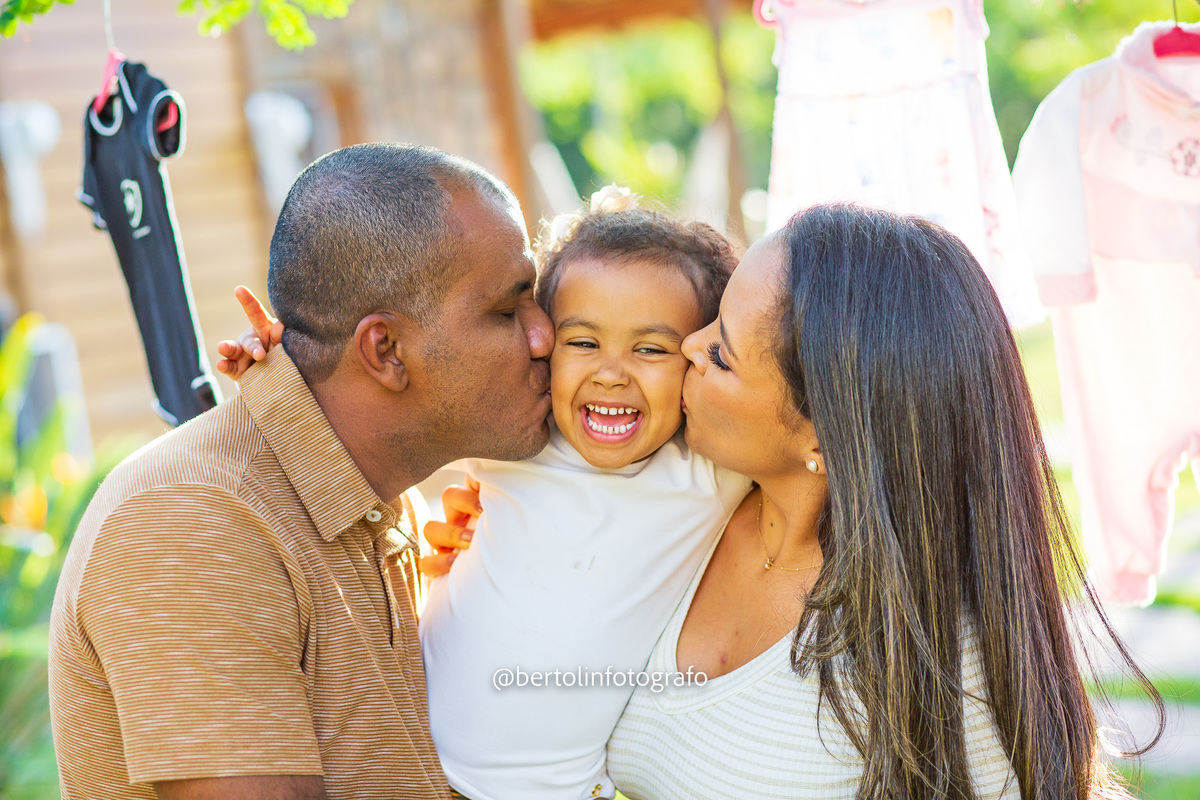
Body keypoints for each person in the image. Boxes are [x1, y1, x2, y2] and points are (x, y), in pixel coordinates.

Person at [603, 204, 1163, 798]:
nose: (689, 344)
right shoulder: (674, 495)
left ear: (826, 436)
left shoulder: (948, 676)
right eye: (714, 320)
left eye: (721, 354)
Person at [48, 143, 554, 800]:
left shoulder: (390, 507)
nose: (545, 336)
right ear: (385, 351)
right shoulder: (191, 524)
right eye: (508, 311)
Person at [218, 187, 750, 800]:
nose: (611, 373)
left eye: (651, 349)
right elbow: (370, 416)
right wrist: (279, 367)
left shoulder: (706, 477)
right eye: (582, 342)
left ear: (698, 360)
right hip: (403, 769)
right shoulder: (514, 441)